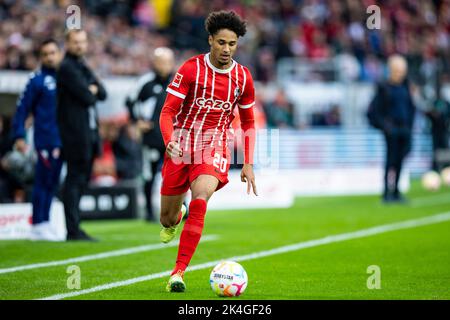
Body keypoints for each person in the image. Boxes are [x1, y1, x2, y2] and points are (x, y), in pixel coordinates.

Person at [159, 11, 258, 292]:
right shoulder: (191, 69)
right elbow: (168, 112)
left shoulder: (243, 77)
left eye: (233, 44)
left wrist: (249, 163)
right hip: (180, 147)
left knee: (200, 199)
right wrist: (169, 140)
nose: (227, 49)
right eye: (222, 43)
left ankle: (177, 273)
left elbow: (249, 121)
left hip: (213, 146)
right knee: (167, 218)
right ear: (211, 40)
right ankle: (176, 218)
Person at [56, 29, 107, 241]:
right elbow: (88, 96)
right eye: (75, 42)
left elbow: (102, 93)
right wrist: (91, 89)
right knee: (75, 179)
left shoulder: (82, 65)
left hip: (88, 132)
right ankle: (72, 229)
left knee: (81, 179)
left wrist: (92, 89)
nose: (79, 46)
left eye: (82, 42)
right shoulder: (67, 67)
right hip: (75, 134)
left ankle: (75, 226)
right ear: (67, 44)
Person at [11, 39, 63, 240]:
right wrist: (19, 135)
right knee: (42, 181)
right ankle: (38, 223)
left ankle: (46, 221)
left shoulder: (65, 77)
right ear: (41, 57)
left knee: (52, 182)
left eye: (53, 52)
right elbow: (22, 109)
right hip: (44, 138)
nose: (50, 57)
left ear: (59, 54)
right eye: (46, 54)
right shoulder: (36, 80)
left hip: (61, 139)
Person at [125, 47, 175, 221]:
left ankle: (181, 209)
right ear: (154, 63)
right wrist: (137, 120)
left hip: (175, 138)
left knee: (179, 174)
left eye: (167, 62)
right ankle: (148, 210)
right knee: (149, 174)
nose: (164, 65)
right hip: (152, 137)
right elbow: (130, 101)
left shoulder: (179, 81)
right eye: (160, 61)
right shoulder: (145, 82)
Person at [367, 54, 416, 203]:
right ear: (391, 70)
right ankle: (386, 192)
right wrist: (385, 126)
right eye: (397, 70)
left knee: (401, 160)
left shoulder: (406, 86)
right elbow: (374, 112)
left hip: (404, 129)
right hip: (391, 130)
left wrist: (410, 126)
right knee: (390, 160)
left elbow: (411, 108)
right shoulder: (384, 88)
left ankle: (396, 191)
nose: (400, 73)